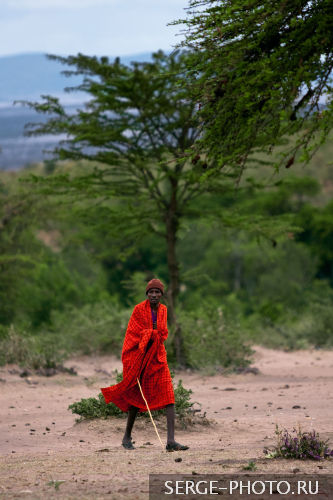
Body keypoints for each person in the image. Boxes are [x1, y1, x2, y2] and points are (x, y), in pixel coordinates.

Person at [101, 278, 189, 452]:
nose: (154, 295)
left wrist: (155, 336)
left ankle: (171, 441)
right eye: (151, 292)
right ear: (147, 294)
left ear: (162, 295)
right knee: (136, 396)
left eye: (157, 292)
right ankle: (127, 437)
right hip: (140, 357)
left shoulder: (164, 310)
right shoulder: (138, 310)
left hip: (157, 357)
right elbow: (133, 334)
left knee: (169, 396)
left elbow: (163, 333)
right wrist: (150, 335)